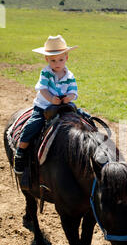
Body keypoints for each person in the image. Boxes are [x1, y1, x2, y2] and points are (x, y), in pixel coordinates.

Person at [14, 34, 79, 174]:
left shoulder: (70, 76)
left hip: (64, 106)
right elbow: (42, 89)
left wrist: (69, 97)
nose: (57, 63)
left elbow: (74, 91)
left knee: (82, 120)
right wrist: (50, 98)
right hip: (44, 106)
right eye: (53, 60)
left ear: (66, 58)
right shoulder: (46, 73)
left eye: (61, 59)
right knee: (33, 125)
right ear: (47, 59)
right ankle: (20, 152)